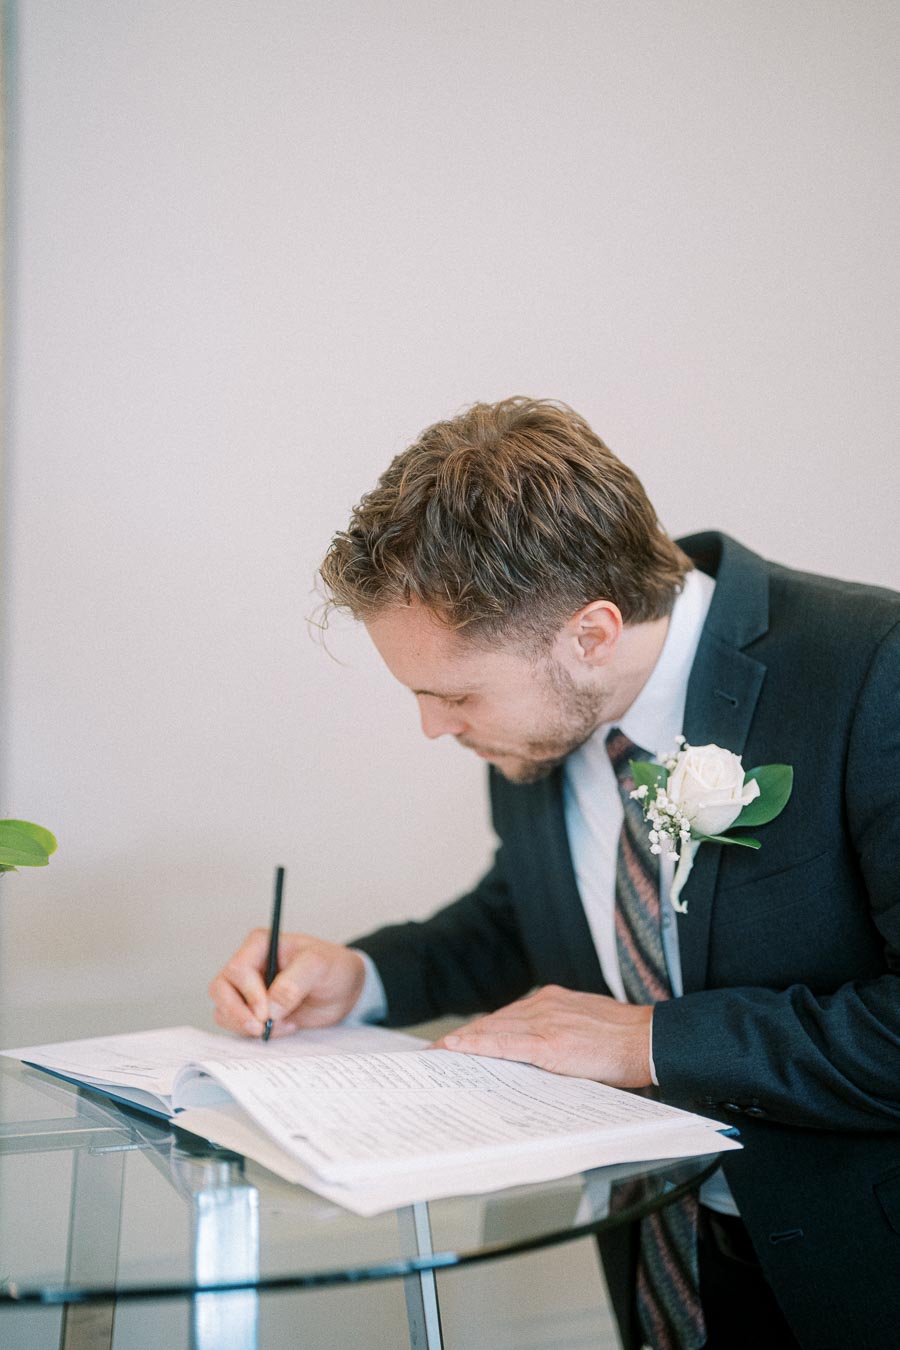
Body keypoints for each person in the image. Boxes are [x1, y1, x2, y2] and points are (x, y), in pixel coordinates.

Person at [209, 397, 900, 1350]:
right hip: (661, 1253)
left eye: (454, 693)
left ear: (591, 632)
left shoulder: (875, 671)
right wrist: (363, 978)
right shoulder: (548, 720)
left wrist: (650, 1043)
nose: (433, 727)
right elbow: (536, 914)